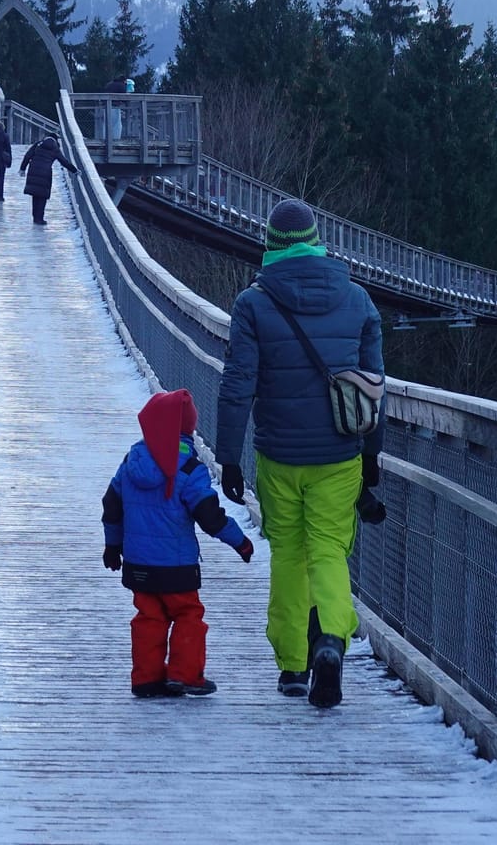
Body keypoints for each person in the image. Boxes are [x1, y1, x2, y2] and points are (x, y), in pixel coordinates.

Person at [215, 198, 384, 709]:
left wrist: (228, 458)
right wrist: (371, 461)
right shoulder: (358, 300)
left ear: (271, 244)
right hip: (339, 454)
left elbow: (237, 386)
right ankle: (331, 641)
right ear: (316, 239)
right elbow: (375, 392)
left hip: (279, 456)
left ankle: (292, 665)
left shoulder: (253, 304)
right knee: (329, 550)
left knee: (288, 554)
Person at [102, 389, 253, 698]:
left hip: (138, 564)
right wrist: (240, 542)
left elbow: (112, 505)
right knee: (187, 615)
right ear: (187, 429)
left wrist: (112, 546)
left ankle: (146, 679)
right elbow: (209, 515)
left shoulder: (131, 461)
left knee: (148, 618)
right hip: (177, 566)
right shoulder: (189, 468)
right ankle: (184, 675)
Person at [18, 132, 73, 225]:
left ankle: (35, 217)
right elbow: (64, 161)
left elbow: (27, 156)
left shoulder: (38, 144)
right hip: (45, 173)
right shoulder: (55, 149)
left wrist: (22, 169)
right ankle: (40, 219)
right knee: (42, 196)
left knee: (35, 194)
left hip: (33, 171)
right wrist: (74, 170)